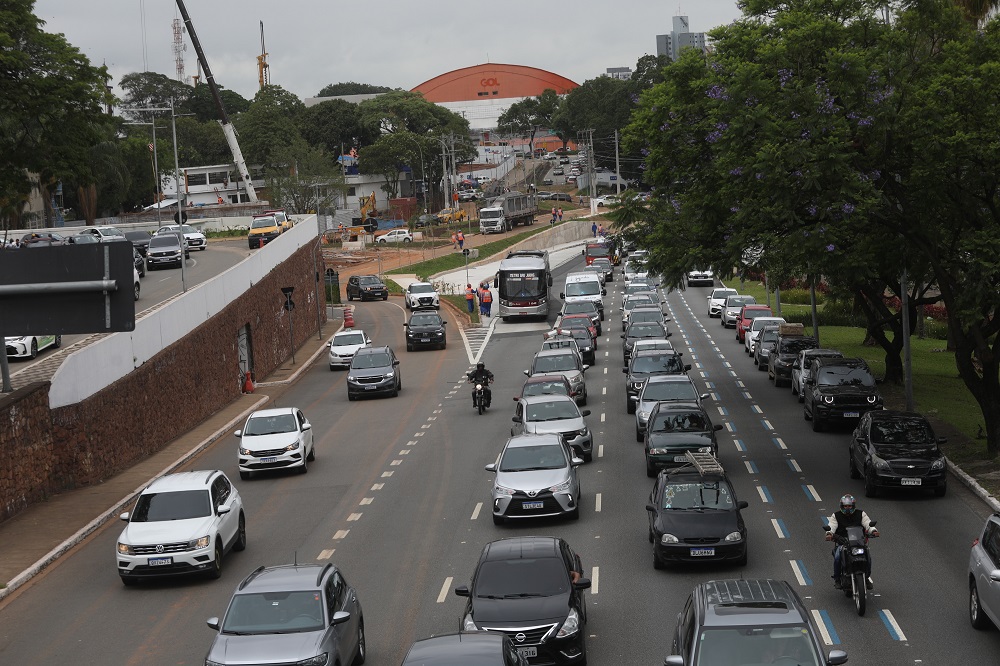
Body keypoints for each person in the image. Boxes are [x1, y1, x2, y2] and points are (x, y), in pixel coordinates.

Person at [825, 494, 878, 589]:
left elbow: (867, 523)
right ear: (842, 506)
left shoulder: (861, 514)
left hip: (858, 542)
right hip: (843, 542)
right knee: (837, 557)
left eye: (849, 506)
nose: (847, 508)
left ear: (853, 506)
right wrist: (829, 534)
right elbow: (832, 526)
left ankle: (866, 577)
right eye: (845, 506)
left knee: (867, 555)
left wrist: (873, 531)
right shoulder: (836, 516)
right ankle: (837, 579)